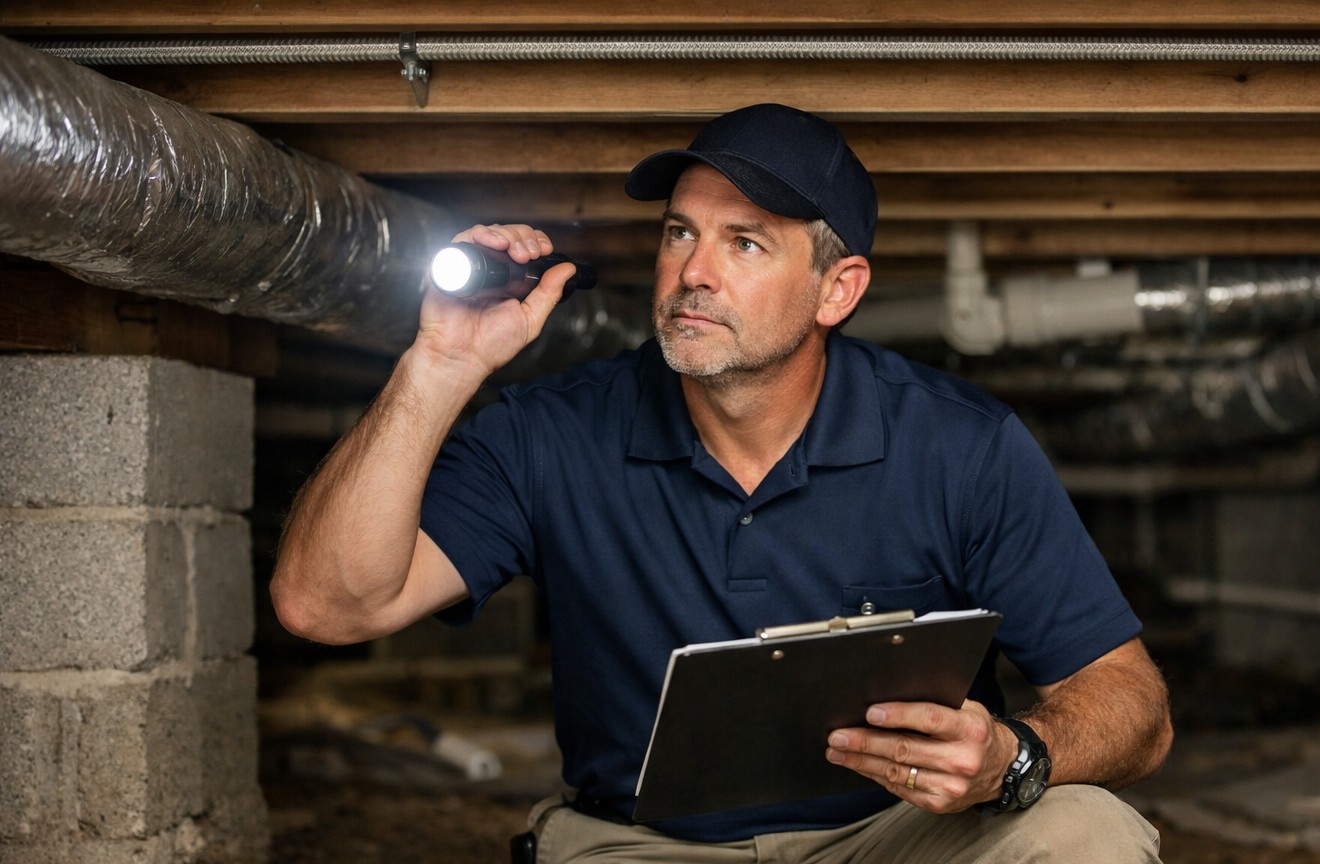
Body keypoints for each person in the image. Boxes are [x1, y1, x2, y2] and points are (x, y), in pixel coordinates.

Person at [271, 102, 1173, 862]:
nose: (693, 273)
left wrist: (1014, 753)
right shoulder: (550, 432)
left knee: (1087, 831)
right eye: (680, 233)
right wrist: (439, 364)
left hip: (891, 837)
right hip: (641, 844)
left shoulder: (958, 446)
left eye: (745, 244)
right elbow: (327, 605)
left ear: (837, 289)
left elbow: (1135, 707)